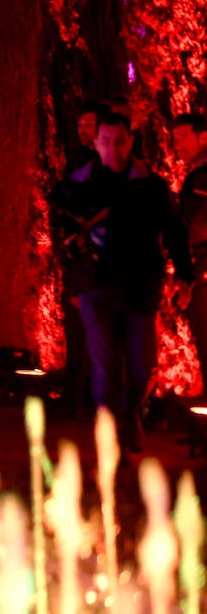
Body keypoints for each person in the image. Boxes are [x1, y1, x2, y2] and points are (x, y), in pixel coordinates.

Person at [50, 112, 191, 450]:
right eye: (106, 141)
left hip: (139, 286)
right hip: (96, 286)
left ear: (130, 142)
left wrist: (184, 275)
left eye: (119, 141)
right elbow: (60, 232)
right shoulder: (77, 186)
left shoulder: (150, 187)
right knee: (105, 366)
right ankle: (110, 433)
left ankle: (128, 416)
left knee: (141, 367)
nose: (113, 148)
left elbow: (174, 231)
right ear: (96, 143)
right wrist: (72, 279)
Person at [174, 112, 207, 377]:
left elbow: (197, 227)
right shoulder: (194, 178)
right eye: (175, 139)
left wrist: (192, 275)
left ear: (203, 137)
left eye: (183, 138)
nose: (178, 145)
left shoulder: (203, 178)